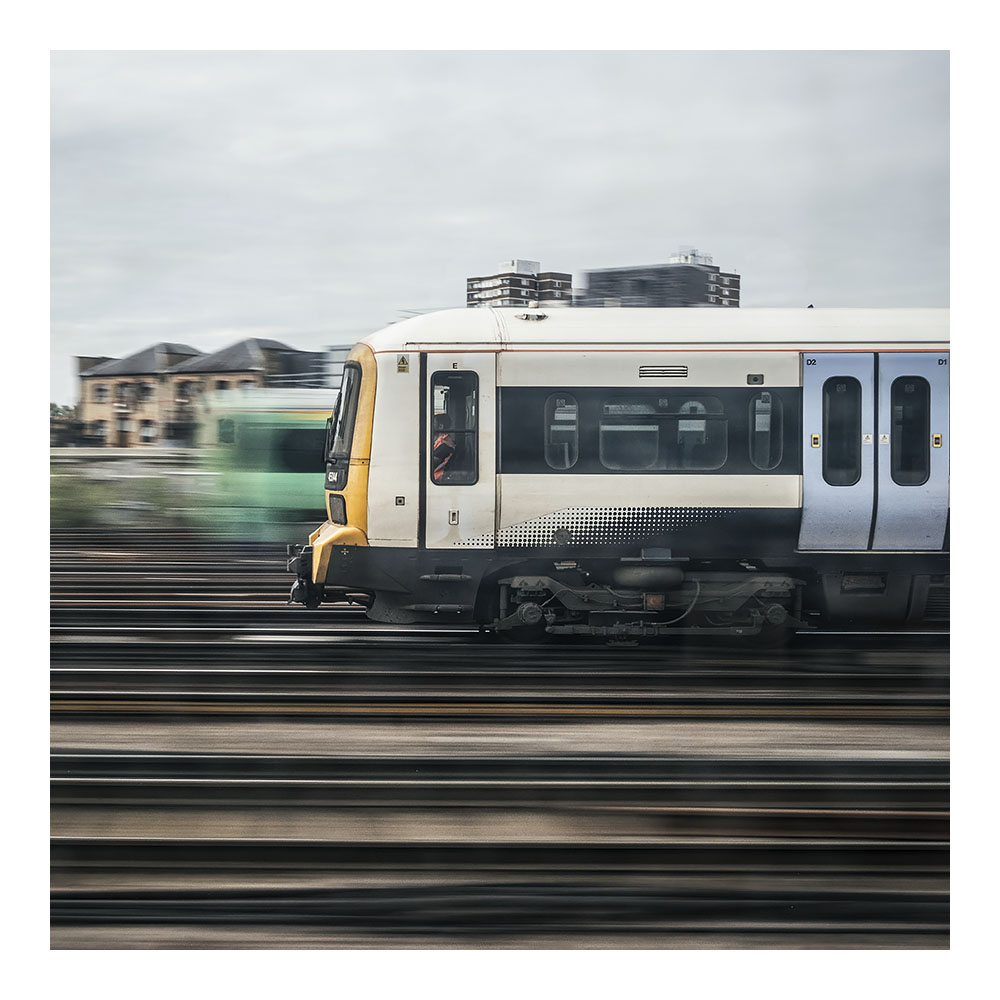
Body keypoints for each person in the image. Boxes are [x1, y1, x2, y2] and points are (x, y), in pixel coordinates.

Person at [432, 415, 456, 482]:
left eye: (433, 423)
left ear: (440, 427)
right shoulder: (439, 442)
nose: (429, 426)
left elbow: (429, 465)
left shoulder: (445, 446)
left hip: (436, 479)